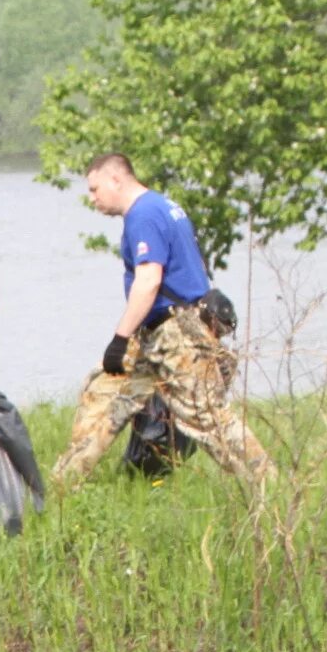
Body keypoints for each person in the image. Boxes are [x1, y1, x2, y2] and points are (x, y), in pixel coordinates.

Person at [50, 153, 273, 491]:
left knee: (206, 418)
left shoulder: (144, 214)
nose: (92, 198)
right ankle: (63, 486)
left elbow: (149, 280)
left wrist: (120, 338)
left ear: (116, 180)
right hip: (156, 331)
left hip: (175, 335)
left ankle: (267, 482)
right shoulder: (164, 207)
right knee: (105, 393)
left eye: (95, 189)